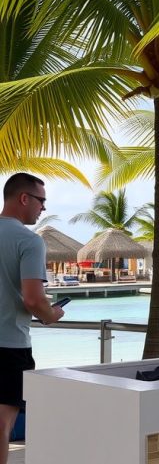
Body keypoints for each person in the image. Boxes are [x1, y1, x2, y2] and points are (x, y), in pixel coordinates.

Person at [1, 173, 64, 463]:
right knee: (2, 425)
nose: (43, 209)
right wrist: (51, 314)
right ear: (24, 198)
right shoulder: (29, 241)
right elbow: (33, 299)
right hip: (9, 345)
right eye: (41, 201)